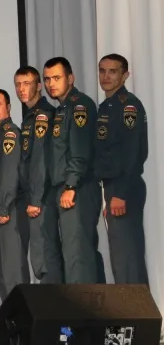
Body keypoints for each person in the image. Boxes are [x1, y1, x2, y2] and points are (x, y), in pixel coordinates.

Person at [42, 57, 104, 283]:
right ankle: (90, 312)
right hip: (66, 188)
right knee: (75, 253)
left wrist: (70, 185)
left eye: (57, 78)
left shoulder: (79, 106)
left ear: (71, 78)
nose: (51, 84)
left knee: (77, 255)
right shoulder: (62, 109)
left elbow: (80, 151)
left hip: (78, 188)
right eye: (47, 79)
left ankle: (83, 315)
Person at [95, 53, 149, 284]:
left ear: (125, 75)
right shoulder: (107, 106)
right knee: (120, 255)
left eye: (113, 71)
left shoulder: (127, 106)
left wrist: (120, 194)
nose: (106, 76)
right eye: (102, 70)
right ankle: (133, 315)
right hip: (112, 186)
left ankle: (137, 317)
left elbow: (133, 153)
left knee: (127, 257)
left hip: (123, 186)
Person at [14, 66, 63, 284]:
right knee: (40, 255)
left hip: (42, 197)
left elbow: (40, 161)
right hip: (35, 195)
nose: (21, 89)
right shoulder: (30, 116)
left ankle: (57, 314)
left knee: (45, 254)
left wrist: (35, 200)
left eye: (27, 83)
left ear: (39, 86)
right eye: (18, 84)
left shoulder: (43, 115)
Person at [0, 89, 29, 299]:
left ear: (8, 107)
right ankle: (11, 323)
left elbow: (9, 175)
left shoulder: (10, 134)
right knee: (2, 271)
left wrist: (2, 207)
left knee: (12, 272)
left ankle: (22, 325)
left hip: (9, 210)